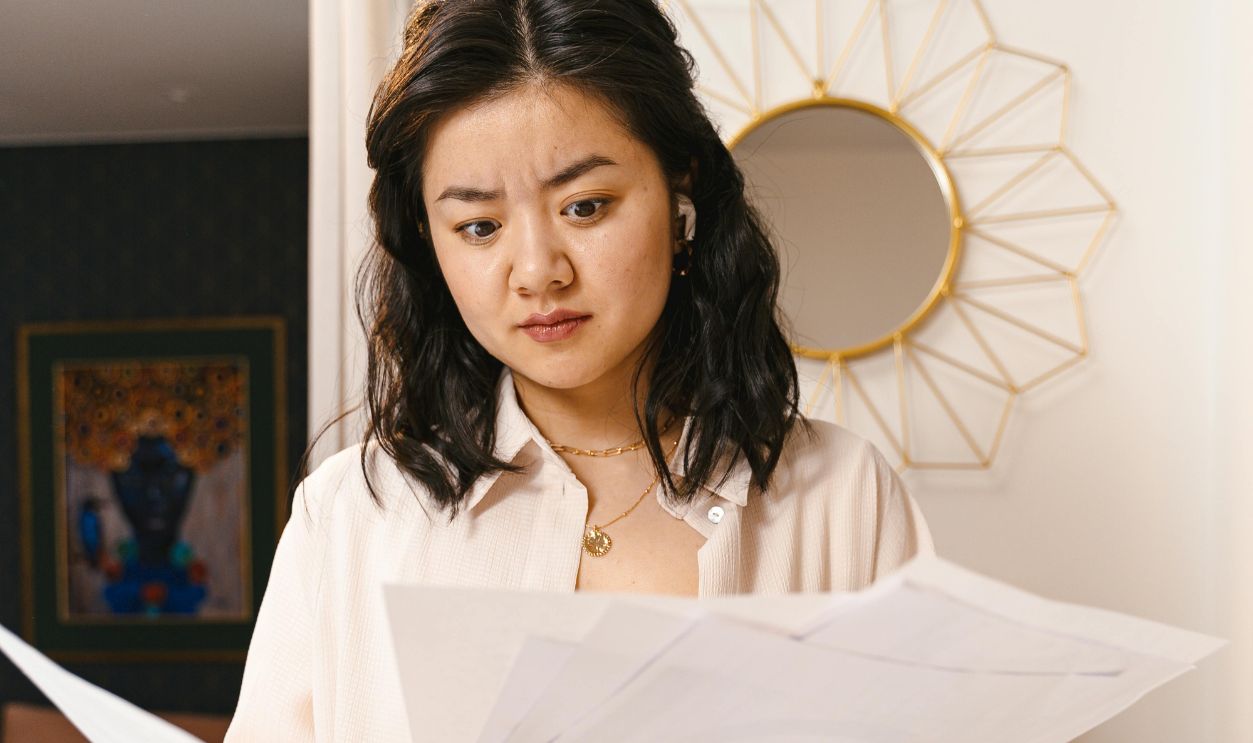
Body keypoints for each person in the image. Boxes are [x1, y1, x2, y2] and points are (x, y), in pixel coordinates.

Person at [226, 0, 933, 739]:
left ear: (680, 195)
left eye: (586, 206)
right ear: (429, 244)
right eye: (478, 226)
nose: (537, 272)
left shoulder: (842, 496)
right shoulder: (349, 515)